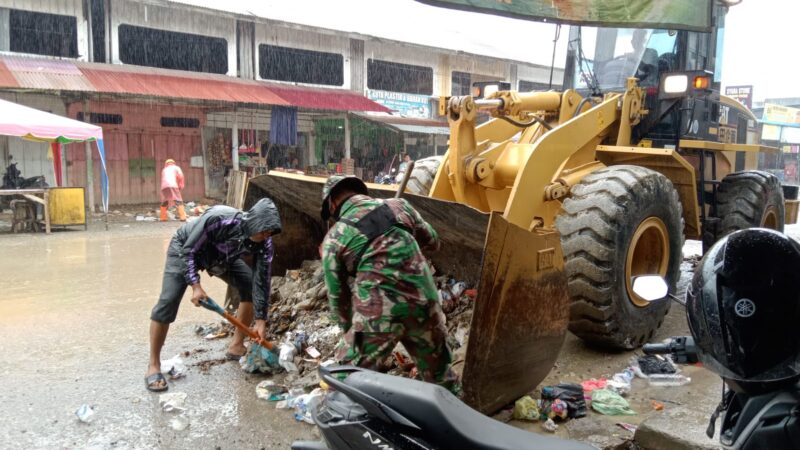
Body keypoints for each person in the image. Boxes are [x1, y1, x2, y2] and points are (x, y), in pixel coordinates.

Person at [319, 175, 456, 389]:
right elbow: (433, 241)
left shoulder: (335, 238)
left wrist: (350, 333)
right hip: (425, 304)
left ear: (332, 203)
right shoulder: (400, 206)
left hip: (378, 314)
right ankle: (454, 417)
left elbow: (338, 298)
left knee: (348, 379)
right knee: (441, 378)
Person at [145, 198, 282, 392]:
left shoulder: (264, 243)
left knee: (249, 285)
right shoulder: (219, 219)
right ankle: (153, 365)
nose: (266, 235)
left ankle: (236, 345)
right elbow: (189, 252)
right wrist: (196, 286)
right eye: (263, 230)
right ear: (252, 222)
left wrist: (261, 321)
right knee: (168, 301)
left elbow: (262, 282)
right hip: (185, 249)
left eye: (270, 232)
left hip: (221, 257)